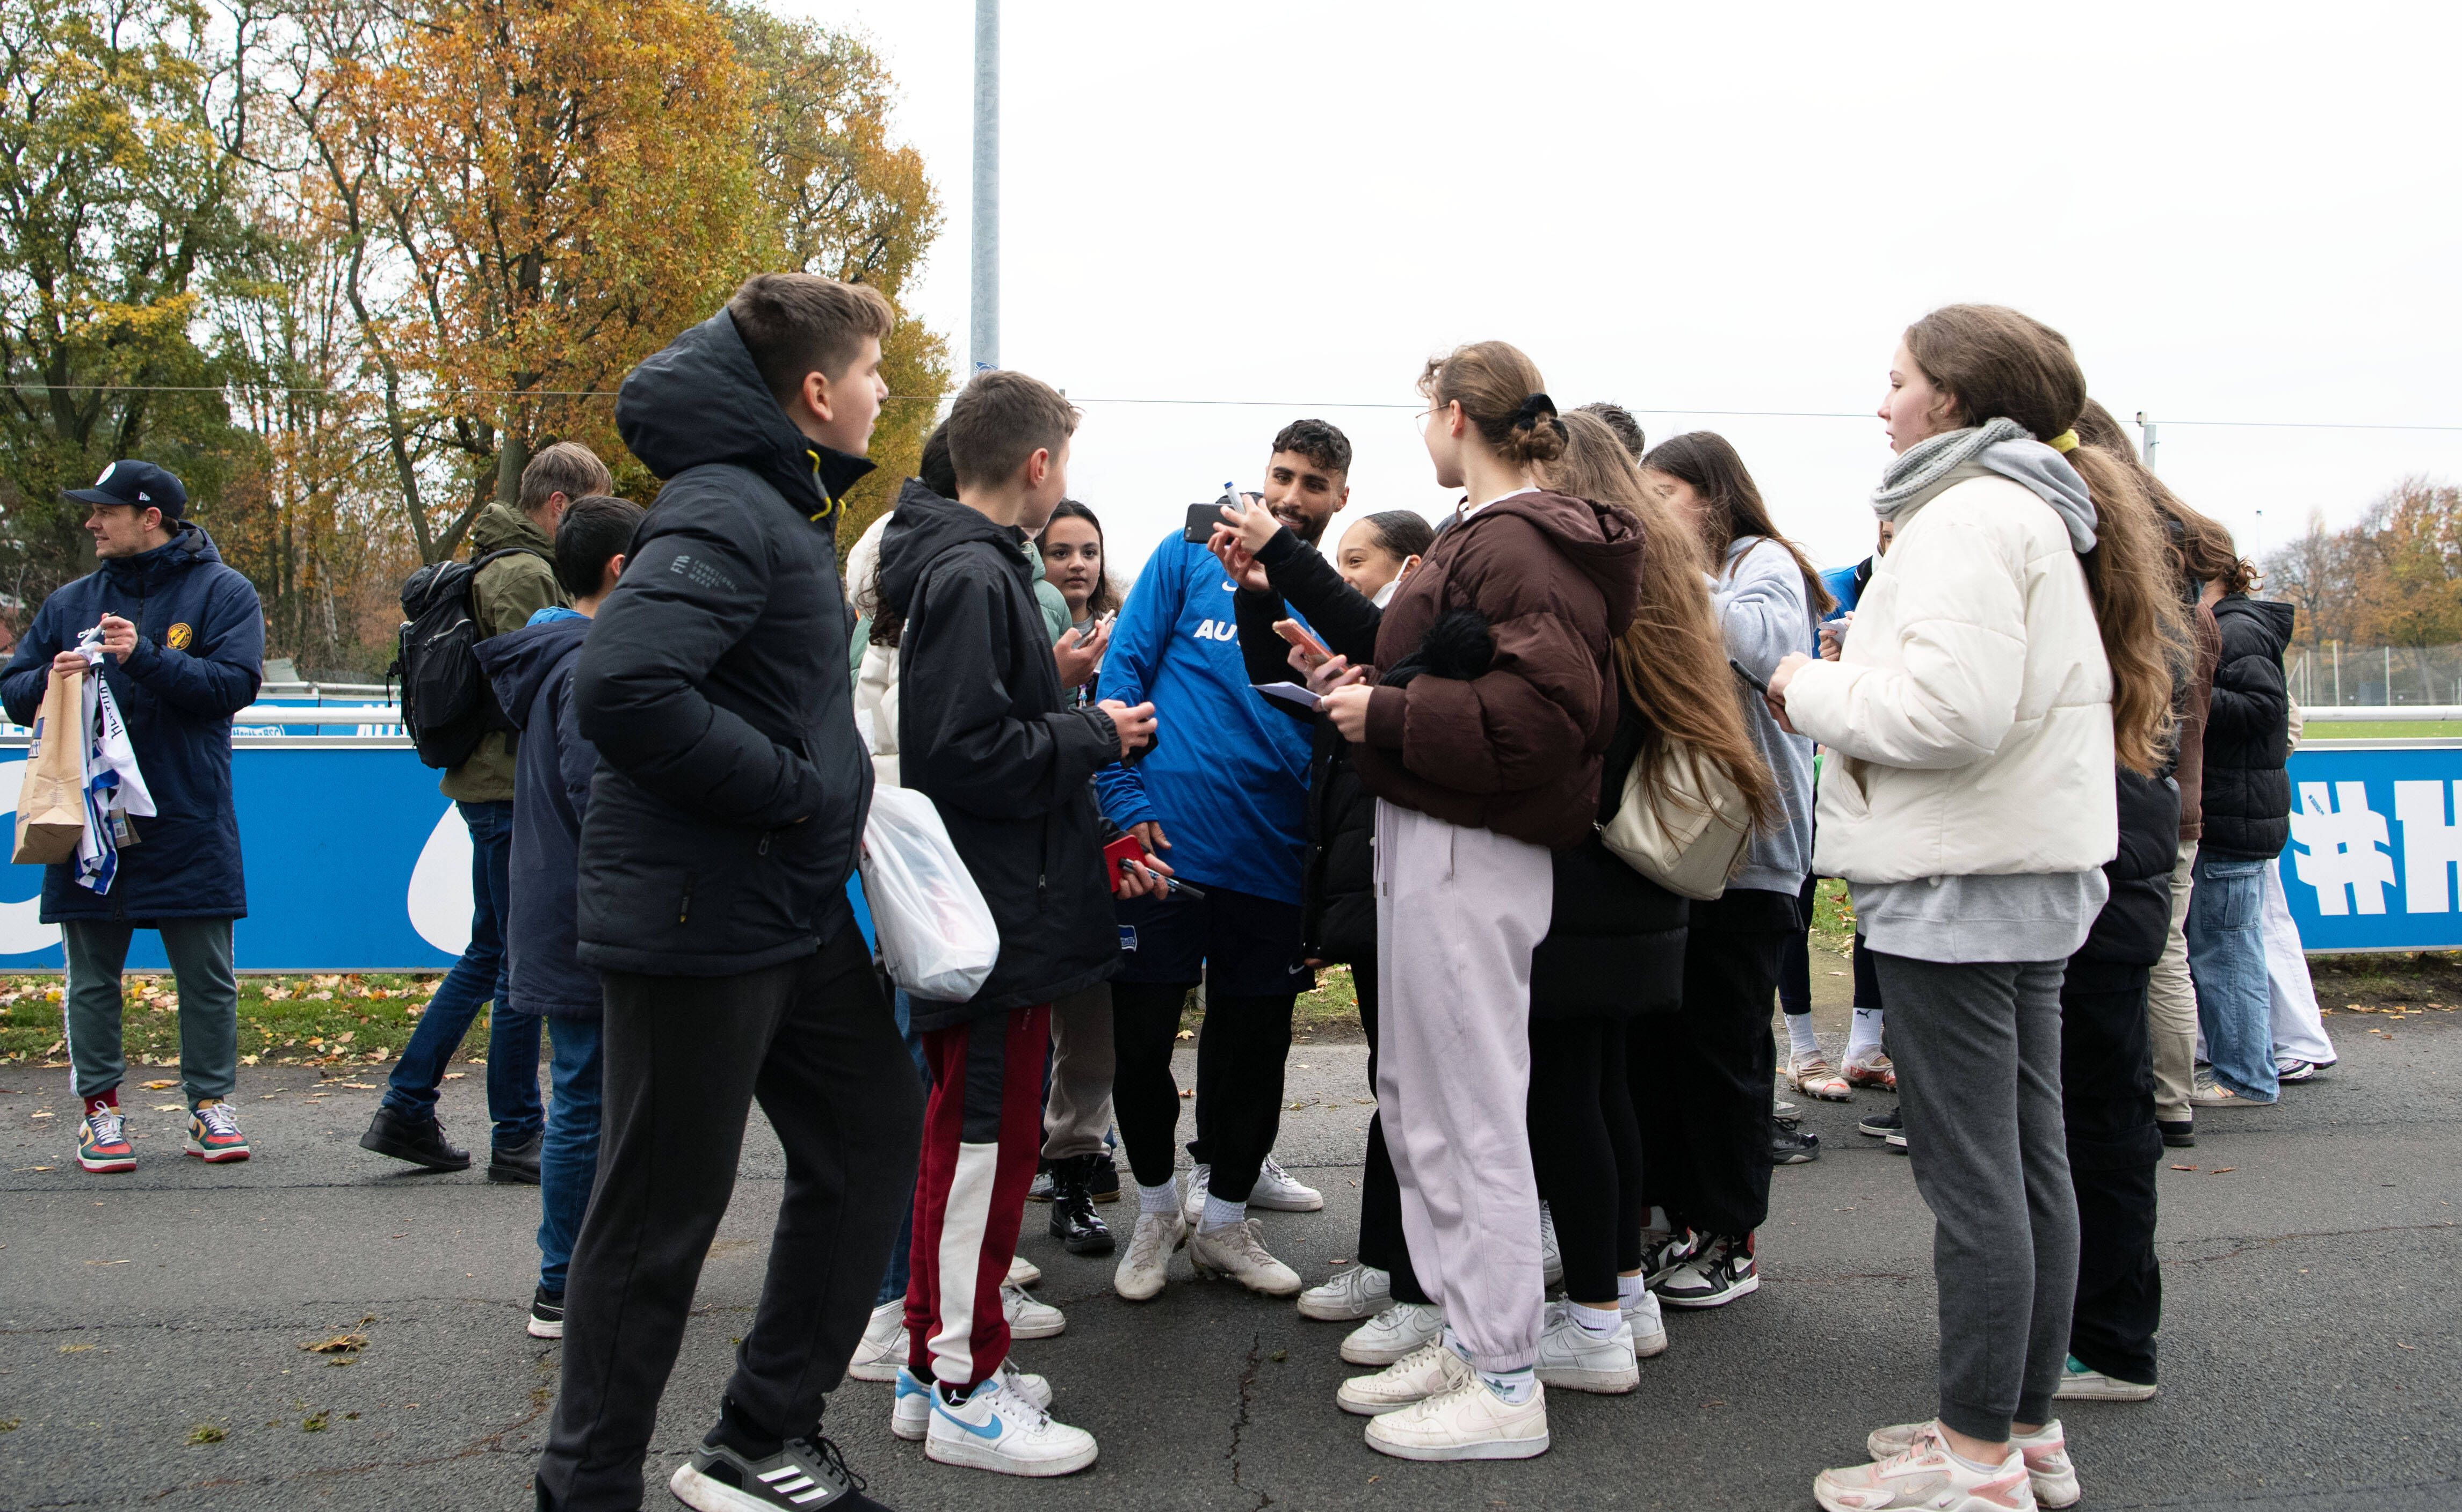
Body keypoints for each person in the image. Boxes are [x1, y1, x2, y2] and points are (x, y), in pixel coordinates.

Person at [1769, 303, 2176, 1512]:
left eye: (1896, 381)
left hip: (1961, 881)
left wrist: (1807, 684)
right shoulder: (2032, 507)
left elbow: (1947, 716)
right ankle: (2020, 1430)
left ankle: (1978, 1456)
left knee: (1977, 1181)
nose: (1882, 402)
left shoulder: (1965, 517)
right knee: (2029, 1161)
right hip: (2022, 870)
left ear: (1949, 399)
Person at [534, 273, 920, 1512]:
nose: (879, 393)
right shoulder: (723, 506)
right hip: (699, 919)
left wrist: (812, 804)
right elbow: (625, 690)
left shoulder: (770, 505)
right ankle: (586, 1487)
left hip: (783, 913)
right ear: (816, 391)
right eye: (869, 374)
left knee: (870, 1135)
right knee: (657, 1223)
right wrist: (802, 791)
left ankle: (760, 1437)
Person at [1320, 344, 1640, 1461]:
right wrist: (1377, 696)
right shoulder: (1492, 533)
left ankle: (1505, 1375)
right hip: (1440, 831)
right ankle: (1473, 1333)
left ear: (1458, 416)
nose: (1422, 427)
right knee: (1425, 1098)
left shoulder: (1522, 539)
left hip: (1473, 839)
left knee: (1471, 1108)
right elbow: (1492, 685)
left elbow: (1549, 718)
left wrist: (1389, 721)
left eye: (1425, 410)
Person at [877, 367, 1162, 1477]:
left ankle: (932, 1364)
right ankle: (962, 1384)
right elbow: (967, 757)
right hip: (999, 916)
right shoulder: (972, 569)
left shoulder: (963, 565)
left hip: (1001, 908)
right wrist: (1094, 731)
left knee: (971, 1140)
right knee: (981, 1150)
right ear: (1038, 466)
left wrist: (1063, 707)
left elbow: (979, 727)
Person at [1097, 418, 1352, 1304]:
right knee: (1136, 1044)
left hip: (1272, 858)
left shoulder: (1335, 592)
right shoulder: (1182, 556)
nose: (1289, 496)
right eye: (1281, 476)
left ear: (1338, 499)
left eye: (1312, 484)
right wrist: (1126, 811)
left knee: (1253, 1049)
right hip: (1163, 851)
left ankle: (1225, 1224)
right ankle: (1158, 1210)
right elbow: (1119, 675)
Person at [1216, 506, 1440, 1353]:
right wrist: (1262, 609)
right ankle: (1387, 1262)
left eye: (1358, 561)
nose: (1342, 578)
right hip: (1367, 879)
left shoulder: (1422, 639)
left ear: (1410, 565)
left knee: (1416, 1088)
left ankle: (1416, 1281)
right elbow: (1291, 683)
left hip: (1410, 880)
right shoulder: (1389, 647)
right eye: (1335, 561)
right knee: (1395, 1081)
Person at [0, 460, 264, 1173]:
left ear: (151, 516)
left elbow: (235, 685)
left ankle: (210, 1108)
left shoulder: (223, 592)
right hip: (88, 822)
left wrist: (143, 658)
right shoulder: (70, 601)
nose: (91, 522)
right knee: (91, 976)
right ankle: (100, 1116)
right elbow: (15, 691)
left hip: (187, 816)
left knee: (206, 976)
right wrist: (49, 678)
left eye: (104, 511)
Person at [361, 442, 609, 1181]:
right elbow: (534, 682)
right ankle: (514, 1131)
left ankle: (410, 1102)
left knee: (490, 954)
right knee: (510, 965)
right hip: (504, 789)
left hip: (489, 785)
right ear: (561, 508)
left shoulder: (500, 560)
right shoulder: (527, 573)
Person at [1631, 431, 1829, 1302]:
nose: (1652, 513)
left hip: (1754, 857)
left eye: (1664, 495)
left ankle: (1731, 1238)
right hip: (1687, 852)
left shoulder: (1761, 563)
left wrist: (1675, 570)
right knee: (1676, 1056)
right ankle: (1684, 1222)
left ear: (1711, 496)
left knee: (1727, 1056)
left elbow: (1761, 645)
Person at [474, 493, 643, 1340]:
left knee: (592, 1096)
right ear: (621, 571)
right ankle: (564, 1284)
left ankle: (577, 1274)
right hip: (589, 914)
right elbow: (601, 795)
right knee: (584, 1099)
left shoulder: (555, 655)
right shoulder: (587, 666)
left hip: (563, 907)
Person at [2076, 398, 2226, 1148]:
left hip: (2128, 793)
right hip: (2164, 789)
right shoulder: (2178, 573)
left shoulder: (2119, 566)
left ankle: (2151, 1101)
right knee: (2163, 950)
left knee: (2124, 966)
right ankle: (2170, 1099)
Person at [1032, 498, 1127, 1252]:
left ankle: (1075, 1174)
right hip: (1030, 852)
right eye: (1059, 551)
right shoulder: (1017, 627)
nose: (1076, 565)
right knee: (1028, 1025)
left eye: (1087, 551)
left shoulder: (1126, 634)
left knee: (1094, 1032)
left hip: (1103, 846)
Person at [2185, 561, 2294, 1110]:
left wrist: (2188, 690)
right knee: (2227, 948)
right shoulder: (2234, 624)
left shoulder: (2236, 628)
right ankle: (2244, 1068)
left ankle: (2245, 1075)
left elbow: (2264, 706)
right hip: (2237, 812)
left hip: (2233, 815)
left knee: (2226, 952)